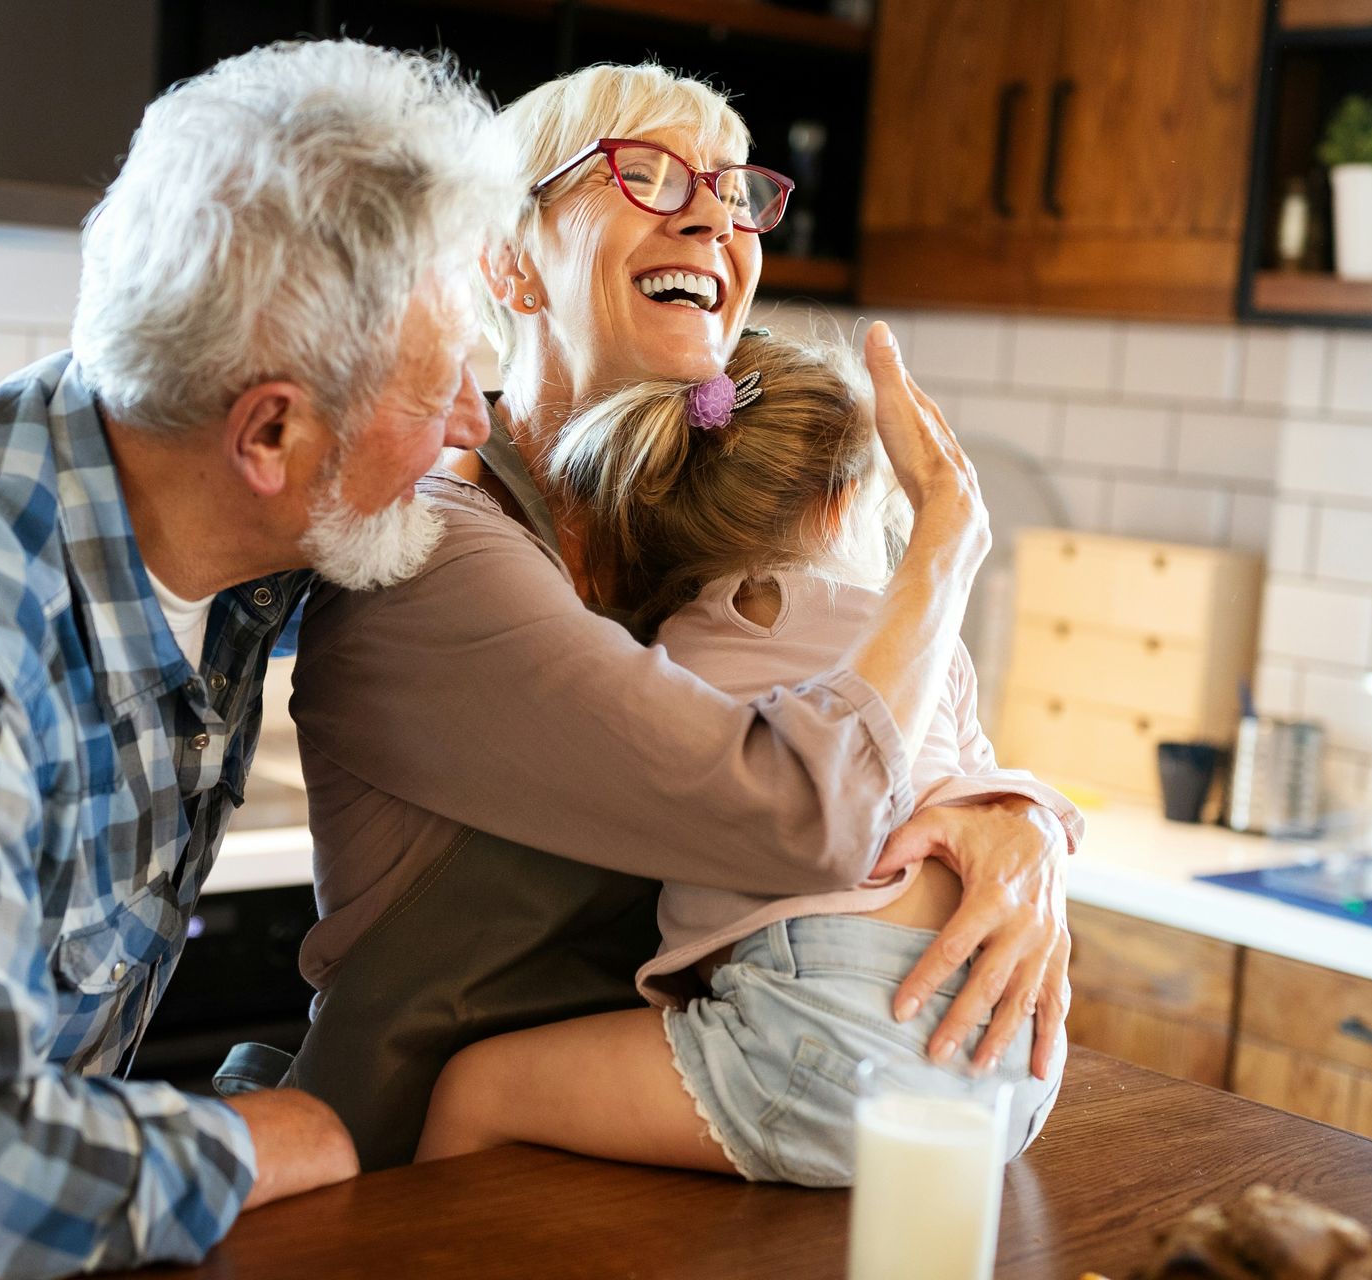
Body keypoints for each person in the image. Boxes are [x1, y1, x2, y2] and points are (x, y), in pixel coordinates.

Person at [0, 40, 515, 1279]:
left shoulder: (190, 495)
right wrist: (255, 1136)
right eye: (440, 386)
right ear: (270, 431)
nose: (471, 424)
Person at [267, 63, 1080, 1170]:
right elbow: (802, 807)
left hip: (652, 1168)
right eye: (643, 175)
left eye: (733, 191)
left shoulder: (706, 538)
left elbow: (919, 733)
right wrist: (944, 544)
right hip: (415, 1187)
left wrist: (1018, 825)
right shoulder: (432, 546)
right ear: (506, 258)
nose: (711, 213)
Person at [413, 330, 1080, 1180]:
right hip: (1010, 1065)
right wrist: (1037, 819)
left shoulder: (662, 654)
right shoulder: (928, 642)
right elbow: (985, 782)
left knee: (478, 1091)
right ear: (843, 508)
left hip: (825, 1032)